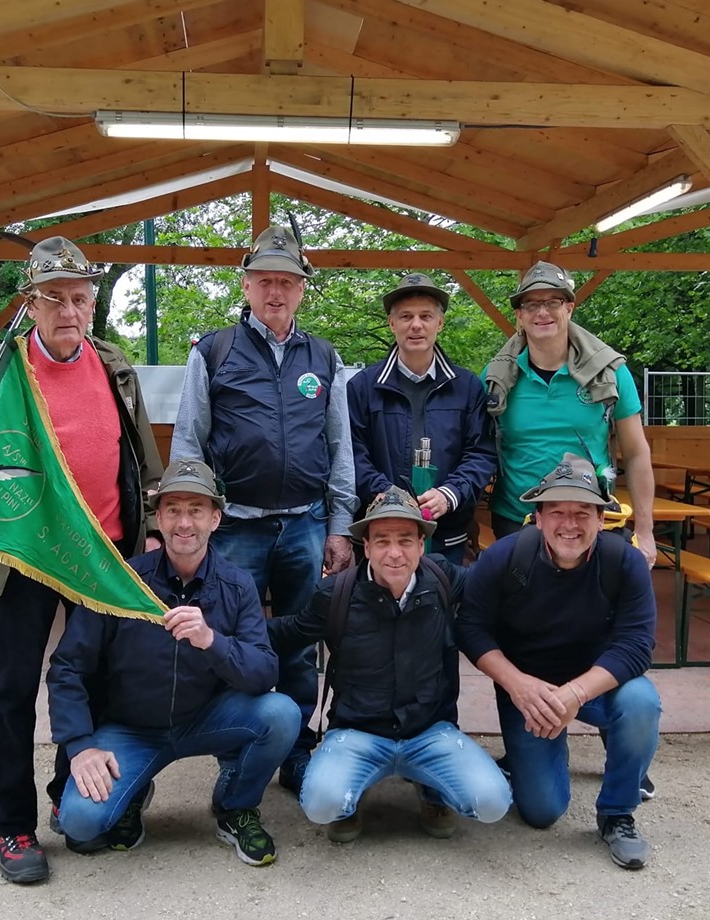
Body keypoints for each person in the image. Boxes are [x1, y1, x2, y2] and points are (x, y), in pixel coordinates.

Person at [0, 237, 164, 884]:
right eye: (55, 298)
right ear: (31, 303)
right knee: (11, 690)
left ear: (93, 302)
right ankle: (13, 827)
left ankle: (70, 796)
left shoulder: (115, 365)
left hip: (102, 552)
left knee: (102, 683)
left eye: (80, 298)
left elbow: (143, 457)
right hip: (22, 555)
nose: (69, 311)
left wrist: (154, 528)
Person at [170, 224, 359, 795]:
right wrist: (191, 522)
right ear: (246, 286)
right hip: (235, 529)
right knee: (230, 644)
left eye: (287, 282)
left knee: (301, 644)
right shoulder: (214, 350)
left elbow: (340, 446)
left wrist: (340, 526)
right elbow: (188, 442)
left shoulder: (324, 356)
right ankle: (238, 752)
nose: (276, 292)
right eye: (265, 281)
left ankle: (297, 750)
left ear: (301, 289)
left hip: (305, 524)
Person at [47, 459, 299, 867]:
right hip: (131, 728)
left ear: (215, 519)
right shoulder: (121, 582)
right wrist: (79, 746)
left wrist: (212, 641)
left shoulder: (237, 585)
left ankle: (235, 807)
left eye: (196, 510)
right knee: (79, 822)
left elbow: (264, 670)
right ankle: (134, 787)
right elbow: (67, 666)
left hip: (206, 720)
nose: (184, 523)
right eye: (174, 510)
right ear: (159, 518)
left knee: (281, 713)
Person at [267, 486, 512, 843]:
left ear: (421, 545)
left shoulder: (442, 579)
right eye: (382, 541)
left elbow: (497, 583)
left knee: (492, 803)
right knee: (322, 805)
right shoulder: (335, 594)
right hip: (358, 733)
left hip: (429, 732)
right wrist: (216, 634)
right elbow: (286, 632)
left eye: (405, 540)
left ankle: (431, 790)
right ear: (366, 547)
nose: (394, 553)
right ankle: (351, 797)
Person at [457, 453, 661, 869]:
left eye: (583, 512)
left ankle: (618, 812)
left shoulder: (625, 562)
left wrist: (574, 694)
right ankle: (540, 754)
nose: (570, 524)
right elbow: (471, 629)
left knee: (641, 701)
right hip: (528, 691)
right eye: (558, 512)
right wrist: (517, 685)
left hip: (596, 685)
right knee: (542, 811)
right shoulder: (504, 558)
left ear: (601, 519)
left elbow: (637, 645)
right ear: (538, 517)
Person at [483, 260, 656, 569]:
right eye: (531, 304)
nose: (542, 312)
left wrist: (645, 531)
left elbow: (636, 452)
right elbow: (475, 450)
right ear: (519, 315)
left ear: (569, 308)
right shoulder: (495, 377)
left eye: (553, 302)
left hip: (589, 521)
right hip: (516, 520)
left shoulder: (611, 373)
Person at [347, 273, 497, 563]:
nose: (416, 325)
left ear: (440, 323)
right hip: (382, 533)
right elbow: (351, 453)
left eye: (426, 316)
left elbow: (481, 452)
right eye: (406, 316)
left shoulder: (467, 387)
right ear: (392, 324)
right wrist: (387, 494)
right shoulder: (362, 387)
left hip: (446, 536)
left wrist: (450, 494)